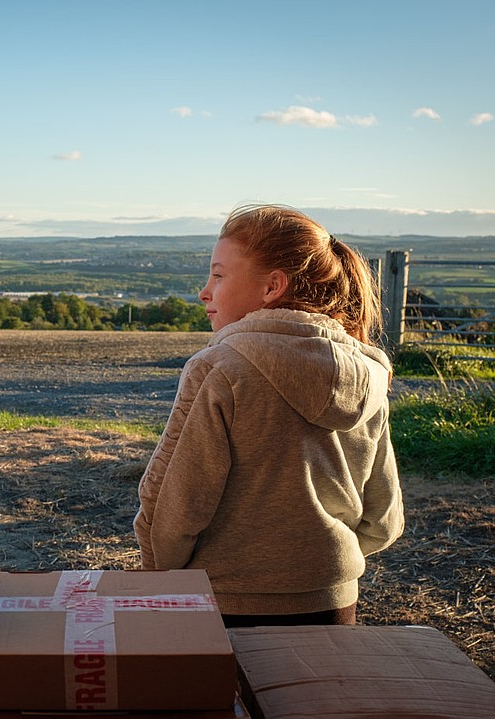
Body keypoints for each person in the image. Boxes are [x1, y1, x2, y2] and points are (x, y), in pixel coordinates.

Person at [133, 204, 404, 627]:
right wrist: (321, 559)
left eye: (218, 275)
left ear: (272, 287)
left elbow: (173, 507)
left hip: (227, 601)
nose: (204, 291)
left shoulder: (220, 369)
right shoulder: (368, 372)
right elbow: (384, 519)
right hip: (334, 600)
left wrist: (158, 574)